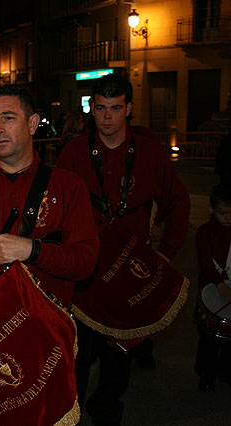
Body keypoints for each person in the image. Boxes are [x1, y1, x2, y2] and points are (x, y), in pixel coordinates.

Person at [57, 74, 190, 426]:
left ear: (128, 108)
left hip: (131, 267)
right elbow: (56, 207)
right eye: (100, 108)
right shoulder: (72, 152)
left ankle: (106, 411)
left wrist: (167, 253)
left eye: (115, 108)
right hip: (85, 268)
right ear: (92, 109)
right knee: (78, 350)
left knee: (118, 352)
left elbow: (177, 202)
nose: (107, 117)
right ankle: (71, 411)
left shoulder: (149, 152)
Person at [0, 83, 99, 308]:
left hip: (48, 329)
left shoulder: (68, 185)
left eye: (8, 118)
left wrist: (33, 250)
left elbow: (84, 263)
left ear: (32, 124)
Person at [194, 183, 231, 392]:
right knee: (208, 338)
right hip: (210, 289)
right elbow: (205, 262)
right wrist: (218, 283)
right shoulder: (204, 232)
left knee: (229, 340)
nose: (228, 218)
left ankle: (226, 371)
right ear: (211, 210)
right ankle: (206, 374)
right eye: (223, 213)